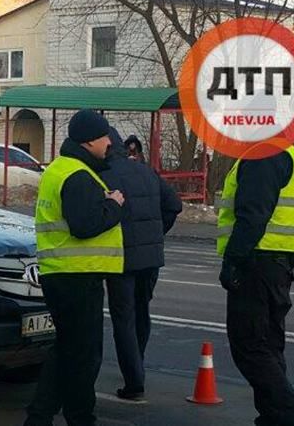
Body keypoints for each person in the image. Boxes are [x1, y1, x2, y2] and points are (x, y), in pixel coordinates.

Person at [26, 109, 125, 426]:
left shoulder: (62, 169)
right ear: (90, 140)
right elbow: (85, 225)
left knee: (66, 350)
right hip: (77, 277)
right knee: (83, 356)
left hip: (62, 274)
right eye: (105, 136)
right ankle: (79, 417)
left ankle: (41, 417)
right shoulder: (78, 175)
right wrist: (114, 205)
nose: (109, 142)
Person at [217, 145, 294, 426]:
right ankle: (274, 416)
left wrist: (233, 260)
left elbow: (253, 213)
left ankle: (290, 417)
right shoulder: (285, 149)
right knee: (267, 345)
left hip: (258, 260)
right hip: (275, 261)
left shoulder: (264, 151)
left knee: (249, 344)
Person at [100, 128, 183, 401]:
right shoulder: (147, 171)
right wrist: (157, 234)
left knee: (123, 318)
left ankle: (134, 381)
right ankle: (139, 362)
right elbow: (174, 206)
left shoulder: (104, 176)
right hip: (151, 257)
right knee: (141, 311)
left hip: (121, 257)